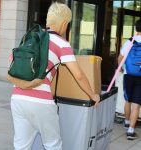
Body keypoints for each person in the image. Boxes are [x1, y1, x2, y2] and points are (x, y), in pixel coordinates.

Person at [8, 2, 100, 150]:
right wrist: (93, 95)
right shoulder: (62, 44)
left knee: (21, 146)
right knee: (53, 145)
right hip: (41, 103)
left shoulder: (30, 38)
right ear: (64, 24)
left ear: (47, 21)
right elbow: (79, 75)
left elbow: (13, 64)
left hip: (17, 98)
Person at [118, 19, 141, 140]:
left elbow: (120, 57)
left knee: (128, 100)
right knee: (136, 104)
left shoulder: (130, 41)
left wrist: (121, 68)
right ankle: (131, 131)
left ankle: (127, 122)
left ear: (136, 28)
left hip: (128, 75)